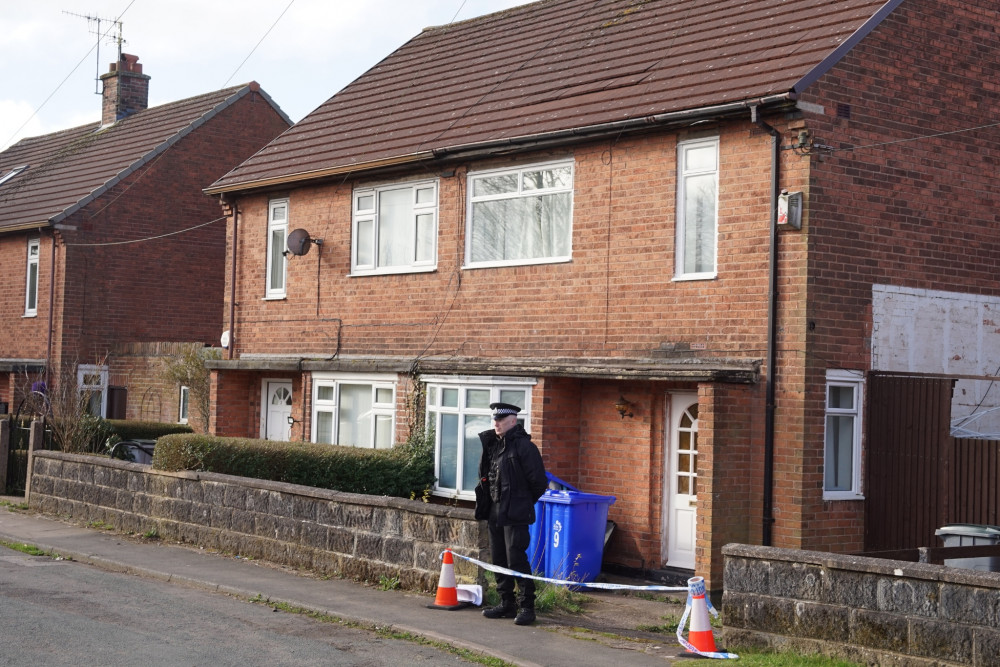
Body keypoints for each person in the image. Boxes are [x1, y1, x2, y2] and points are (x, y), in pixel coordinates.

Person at [474, 402, 547, 626]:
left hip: (515, 512)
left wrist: (522, 504)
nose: (496, 423)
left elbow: (539, 484)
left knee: (516, 558)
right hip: (495, 510)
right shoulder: (493, 445)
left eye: (501, 420)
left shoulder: (525, 447)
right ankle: (507, 603)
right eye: (494, 419)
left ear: (513, 421)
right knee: (498, 559)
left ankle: (527, 607)